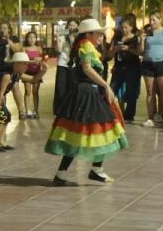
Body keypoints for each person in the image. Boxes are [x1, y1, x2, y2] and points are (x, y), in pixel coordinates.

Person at [46, 18, 129, 185]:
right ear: (88, 34)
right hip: (87, 93)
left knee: (80, 133)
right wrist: (106, 85)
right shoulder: (86, 45)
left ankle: (75, 172)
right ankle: (92, 169)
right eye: (98, 33)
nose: (100, 36)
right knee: (97, 130)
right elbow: (86, 68)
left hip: (89, 92)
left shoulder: (86, 45)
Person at [0, 52, 35, 152]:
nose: (26, 67)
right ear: (16, 64)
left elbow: (34, 79)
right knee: (2, 116)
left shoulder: (15, 74)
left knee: (6, 116)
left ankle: (1, 142)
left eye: (27, 64)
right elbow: (0, 93)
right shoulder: (7, 76)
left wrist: (43, 71)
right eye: (24, 64)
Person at [110, 16, 143, 123]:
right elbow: (109, 53)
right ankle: (110, 111)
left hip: (132, 66)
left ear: (131, 27)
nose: (124, 30)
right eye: (122, 27)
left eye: (126, 27)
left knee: (131, 91)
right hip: (119, 66)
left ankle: (129, 114)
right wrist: (116, 49)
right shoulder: (117, 38)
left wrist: (128, 49)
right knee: (112, 88)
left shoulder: (135, 37)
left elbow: (139, 52)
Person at [53, 19, 80, 113]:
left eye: (74, 25)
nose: (72, 27)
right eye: (70, 25)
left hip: (75, 65)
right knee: (61, 88)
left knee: (72, 87)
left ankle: (71, 109)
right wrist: (58, 38)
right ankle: (60, 110)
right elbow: (59, 50)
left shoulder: (79, 38)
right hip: (63, 64)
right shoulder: (63, 36)